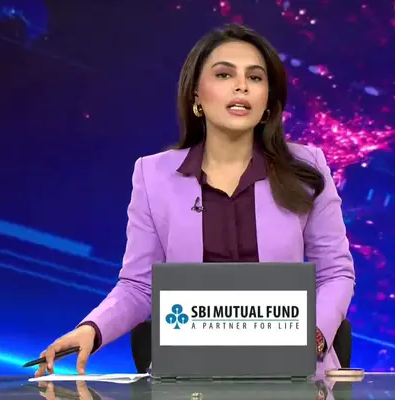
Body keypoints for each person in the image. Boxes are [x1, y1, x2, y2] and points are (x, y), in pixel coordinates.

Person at [35, 23, 355, 377]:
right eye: (224, 74)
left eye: (255, 77)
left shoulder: (306, 167)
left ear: (267, 102)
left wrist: (315, 337)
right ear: (196, 96)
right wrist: (91, 330)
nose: (241, 86)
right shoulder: (153, 175)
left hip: (295, 375)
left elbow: (335, 273)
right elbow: (140, 286)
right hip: (189, 376)